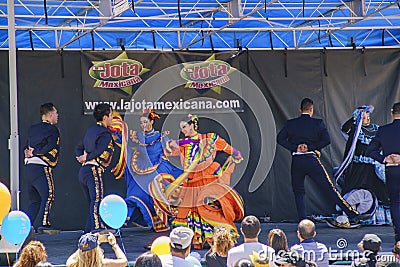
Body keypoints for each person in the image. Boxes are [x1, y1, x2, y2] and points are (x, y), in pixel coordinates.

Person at [150, 114, 244, 249]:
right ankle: (195, 240)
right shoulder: (183, 144)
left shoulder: (209, 138)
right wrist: (168, 144)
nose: (183, 130)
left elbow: (226, 148)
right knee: (186, 211)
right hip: (191, 181)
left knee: (206, 208)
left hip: (207, 179)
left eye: (184, 126)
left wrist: (235, 153)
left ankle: (218, 240)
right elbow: (169, 151)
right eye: (181, 128)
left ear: (192, 125)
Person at [277, 98, 368, 224]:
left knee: (299, 191)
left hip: (297, 160)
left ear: (300, 110)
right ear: (311, 109)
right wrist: (310, 147)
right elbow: (326, 140)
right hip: (311, 159)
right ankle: (351, 213)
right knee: (329, 188)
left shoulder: (291, 124)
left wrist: (295, 147)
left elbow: (280, 139)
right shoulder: (317, 123)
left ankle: (303, 221)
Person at [124, 109, 182, 232]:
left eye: (145, 122)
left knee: (155, 188)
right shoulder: (137, 136)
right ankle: (126, 217)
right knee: (135, 191)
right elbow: (125, 141)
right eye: (141, 123)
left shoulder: (161, 137)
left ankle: (159, 220)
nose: (144, 125)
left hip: (157, 169)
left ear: (151, 121)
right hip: (142, 170)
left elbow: (169, 154)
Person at [336, 105, 389, 223]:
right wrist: (354, 119)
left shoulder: (376, 129)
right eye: (362, 115)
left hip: (373, 168)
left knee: (378, 192)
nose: (364, 116)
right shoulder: (356, 130)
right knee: (356, 189)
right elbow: (345, 129)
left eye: (366, 114)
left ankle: (373, 218)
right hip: (359, 168)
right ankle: (352, 215)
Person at [76, 103, 115, 233]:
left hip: (83, 171)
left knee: (92, 202)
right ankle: (98, 228)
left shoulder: (91, 130)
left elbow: (78, 147)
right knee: (97, 199)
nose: (112, 118)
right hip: (93, 169)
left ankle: (88, 230)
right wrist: (86, 158)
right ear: (105, 117)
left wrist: (80, 157)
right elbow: (99, 150)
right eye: (110, 115)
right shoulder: (105, 133)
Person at [366, 102, 400, 251]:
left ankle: (398, 237)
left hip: (391, 170)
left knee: (395, 203)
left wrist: (384, 159)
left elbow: (370, 150)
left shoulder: (383, 130)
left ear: (392, 113)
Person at [23, 103, 60, 234]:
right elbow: (50, 146)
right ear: (50, 115)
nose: (57, 115)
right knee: (48, 195)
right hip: (40, 166)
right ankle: (44, 223)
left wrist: (29, 152)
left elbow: (27, 146)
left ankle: (26, 227)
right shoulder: (53, 130)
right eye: (56, 113)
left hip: (28, 168)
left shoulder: (33, 128)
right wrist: (36, 152)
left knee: (34, 200)